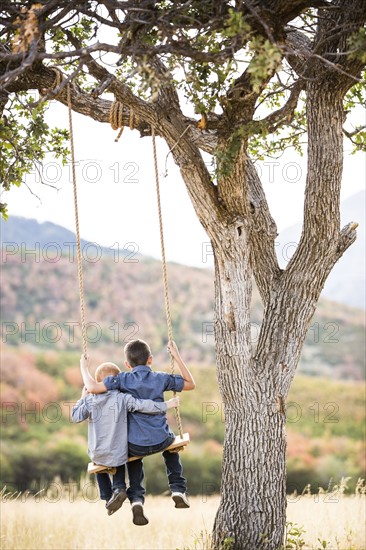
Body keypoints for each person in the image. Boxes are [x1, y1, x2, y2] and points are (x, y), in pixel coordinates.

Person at [80, 339, 195, 526]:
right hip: (161, 439)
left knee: (127, 454)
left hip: (135, 445)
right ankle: (177, 489)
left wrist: (83, 367)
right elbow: (191, 384)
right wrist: (177, 356)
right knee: (172, 447)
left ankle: (136, 500)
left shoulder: (122, 380)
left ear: (127, 364)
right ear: (150, 359)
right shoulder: (161, 378)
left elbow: (93, 387)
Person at [72, 361, 179, 517]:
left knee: (99, 465)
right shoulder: (123, 398)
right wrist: (167, 404)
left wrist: (83, 397)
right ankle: (119, 486)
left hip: (98, 454)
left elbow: (75, 417)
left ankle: (110, 497)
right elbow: (144, 406)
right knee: (121, 450)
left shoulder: (90, 400)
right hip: (118, 453)